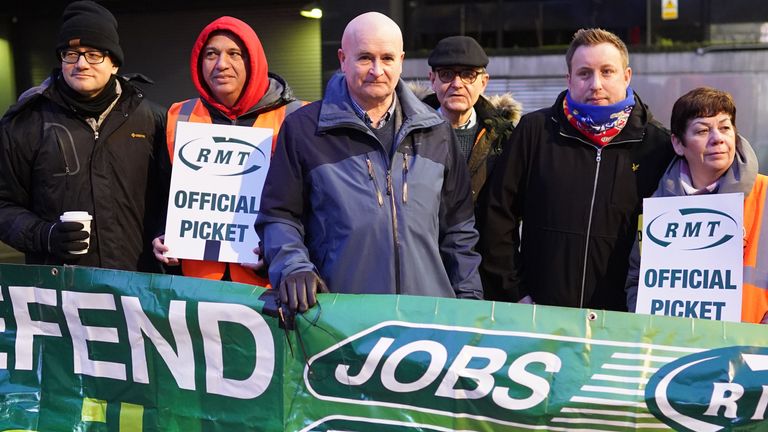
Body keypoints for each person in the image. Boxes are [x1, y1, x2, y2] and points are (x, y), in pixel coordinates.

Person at [255, 12, 482, 312]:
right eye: (365, 58)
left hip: (428, 320)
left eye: (387, 59)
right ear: (342, 59)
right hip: (341, 321)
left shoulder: (437, 132)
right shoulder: (304, 130)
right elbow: (279, 216)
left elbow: (459, 232)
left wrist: (470, 305)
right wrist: (293, 267)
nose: (377, 70)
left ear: (401, 61)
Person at [477, 28, 675, 310]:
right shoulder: (535, 131)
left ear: (627, 76)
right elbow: (496, 218)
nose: (596, 84)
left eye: (607, 72)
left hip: (622, 321)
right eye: (584, 73)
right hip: (540, 315)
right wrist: (515, 292)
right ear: (569, 79)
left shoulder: (657, 145)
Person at [0, 0, 169, 272]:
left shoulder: (154, 120)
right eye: (71, 53)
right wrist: (44, 235)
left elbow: (174, 198)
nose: (81, 64)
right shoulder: (26, 122)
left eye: (94, 54)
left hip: (138, 291)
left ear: (114, 63)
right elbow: (3, 204)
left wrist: (166, 234)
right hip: (61, 293)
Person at [152, 16, 304, 285]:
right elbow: (162, 195)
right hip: (197, 288)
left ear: (253, 61)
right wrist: (164, 237)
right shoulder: (179, 115)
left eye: (234, 54)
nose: (222, 64)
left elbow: (312, 207)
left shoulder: (297, 117)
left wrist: (278, 254)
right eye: (211, 54)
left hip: (268, 290)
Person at [625, 87, 768, 324]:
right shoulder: (657, 206)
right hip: (672, 349)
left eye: (725, 127)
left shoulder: (764, 194)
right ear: (678, 144)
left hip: (751, 353)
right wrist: (647, 331)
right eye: (702, 130)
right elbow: (637, 281)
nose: (718, 138)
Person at [420, 35, 521, 210]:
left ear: (483, 83)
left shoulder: (505, 138)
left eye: (468, 75)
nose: (457, 84)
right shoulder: (408, 133)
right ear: (432, 80)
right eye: (446, 74)